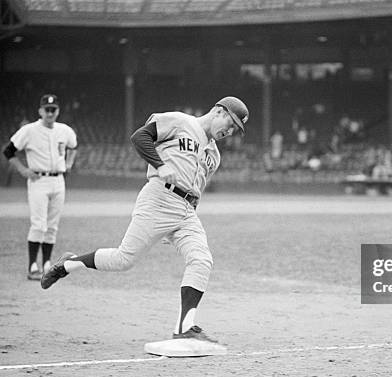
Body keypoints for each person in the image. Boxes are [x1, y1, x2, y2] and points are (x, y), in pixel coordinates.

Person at [41, 96, 248, 344]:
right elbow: (140, 137)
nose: (230, 130)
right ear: (218, 110)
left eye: (236, 128)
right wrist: (160, 165)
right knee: (123, 260)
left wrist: (178, 225)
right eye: (231, 122)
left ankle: (185, 327)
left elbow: (198, 188)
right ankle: (68, 264)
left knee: (201, 259)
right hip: (159, 198)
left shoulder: (214, 155)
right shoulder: (180, 121)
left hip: (186, 211)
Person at [3, 94, 77, 280]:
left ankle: (46, 264)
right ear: (40, 111)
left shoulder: (65, 130)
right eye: (47, 109)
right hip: (38, 180)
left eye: (54, 109)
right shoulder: (29, 130)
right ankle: (32, 267)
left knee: (52, 226)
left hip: (58, 180)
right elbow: (8, 150)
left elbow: (74, 147)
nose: (50, 112)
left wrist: (69, 164)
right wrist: (22, 170)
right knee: (39, 224)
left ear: (58, 110)